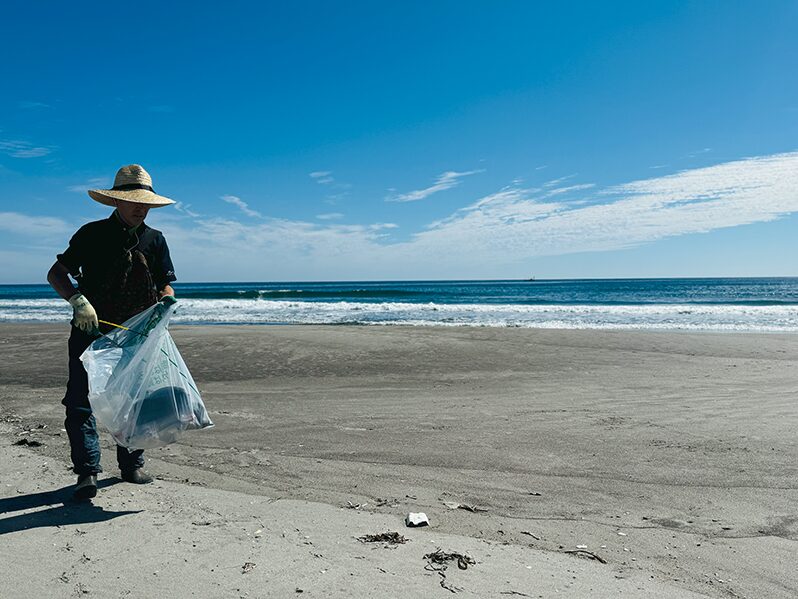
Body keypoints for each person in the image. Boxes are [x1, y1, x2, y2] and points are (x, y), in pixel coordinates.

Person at [47, 164, 178, 500]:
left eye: (145, 202)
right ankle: (87, 472)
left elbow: (165, 284)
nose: (140, 207)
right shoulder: (90, 234)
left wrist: (165, 303)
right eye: (133, 200)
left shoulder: (155, 240)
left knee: (135, 400)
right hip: (90, 331)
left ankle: (131, 464)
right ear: (117, 201)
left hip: (137, 335)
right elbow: (56, 273)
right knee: (80, 402)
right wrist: (77, 300)